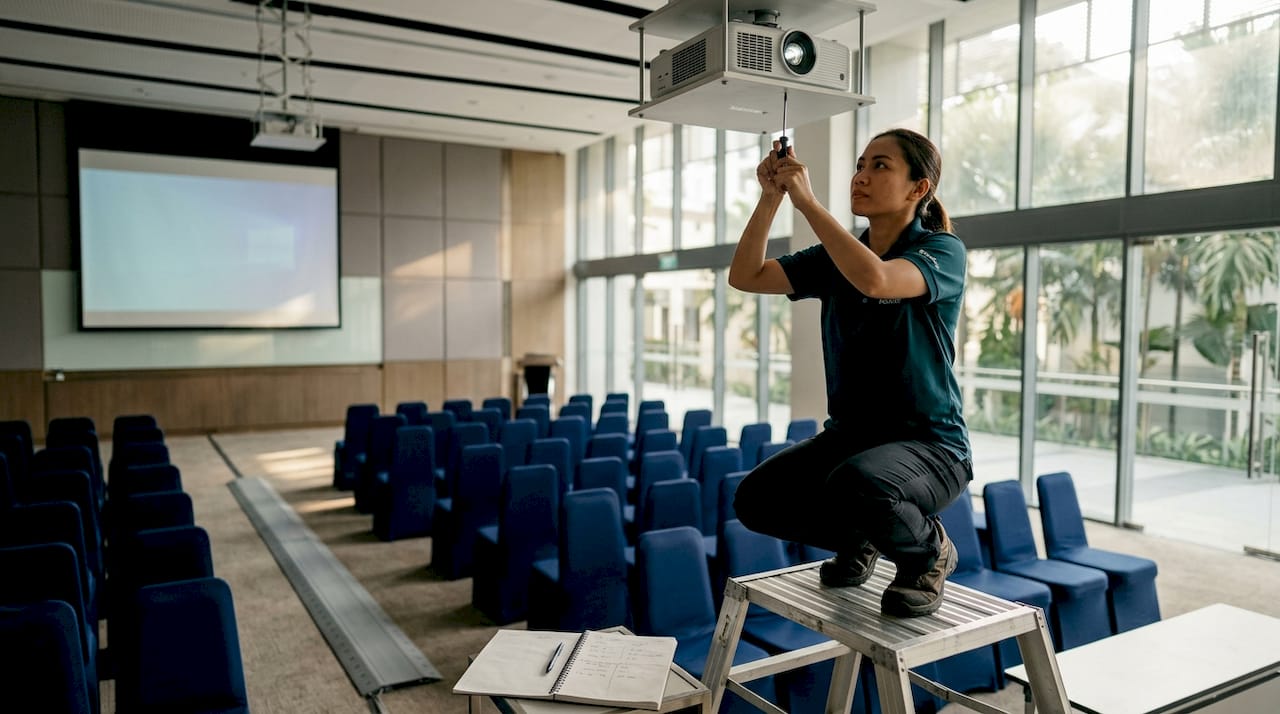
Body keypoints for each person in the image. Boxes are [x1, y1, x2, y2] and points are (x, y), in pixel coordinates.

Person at [728, 128, 972, 617]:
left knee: (860, 483)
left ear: (918, 188)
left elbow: (877, 277)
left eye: (880, 166)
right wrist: (771, 199)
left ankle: (927, 553)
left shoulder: (942, 251)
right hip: (850, 441)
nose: (861, 176)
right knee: (757, 500)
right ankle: (864, 537)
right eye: (860, 164)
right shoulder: (833, 259)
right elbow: (746, 275)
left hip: (930, 446)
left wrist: (809, 204)